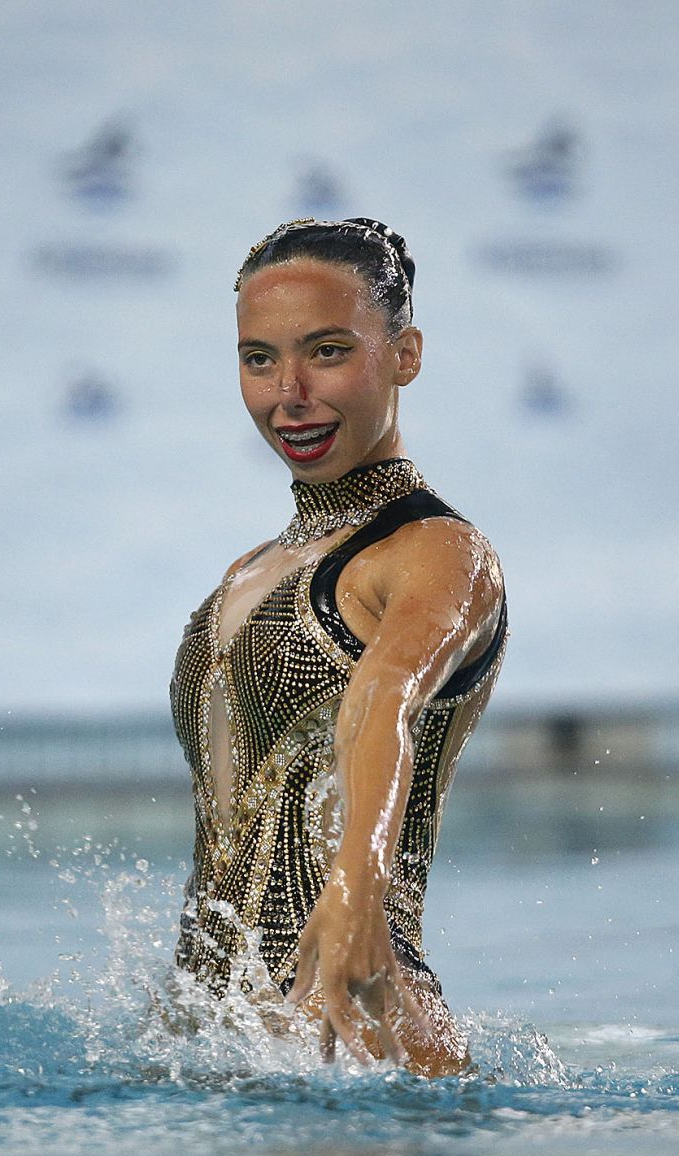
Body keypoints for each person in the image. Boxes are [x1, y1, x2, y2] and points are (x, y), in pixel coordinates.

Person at [169, 218, 507, 1078]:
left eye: (326, 351)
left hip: (361, 1023)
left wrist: (357, 885)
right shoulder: (253, 569)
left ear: (405, 355)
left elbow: (382, 698)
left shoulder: (434, 552)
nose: (290, 392)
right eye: (258, 359)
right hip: (222, 1041)